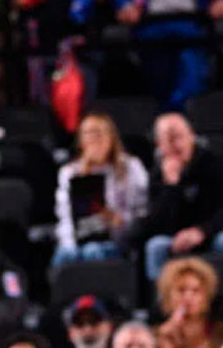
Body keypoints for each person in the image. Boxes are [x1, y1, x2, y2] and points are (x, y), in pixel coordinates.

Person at [126, 114, 223, 280]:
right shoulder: (157, 175)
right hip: (174, 236)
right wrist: (171, 186)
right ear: (158, 144)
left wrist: (202, 231)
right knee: (155, 246)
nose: (176, 146)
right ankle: (159, 296)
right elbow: (154, 222)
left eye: (179, 137)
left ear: (192, 136)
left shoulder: (213, 164)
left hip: (210, 232)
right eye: (168, 140)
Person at [53, 112, 149, 266]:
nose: (93, 139)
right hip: (80, 237)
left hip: (118, 238)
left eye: (98, 133)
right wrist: (71, 244)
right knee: (67, 254)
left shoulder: (131, 166)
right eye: (87, 133)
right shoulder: (70, 172)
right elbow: (65, 217)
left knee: (93, 251)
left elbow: (142, 210)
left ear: (111, 137)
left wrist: (121, 221)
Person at [155, 257, 223, 348]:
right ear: (168, 296)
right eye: (181, 290)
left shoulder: (219, 333)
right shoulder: (155, 337)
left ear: (207, 297)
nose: (188, 297)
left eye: (196, 291)